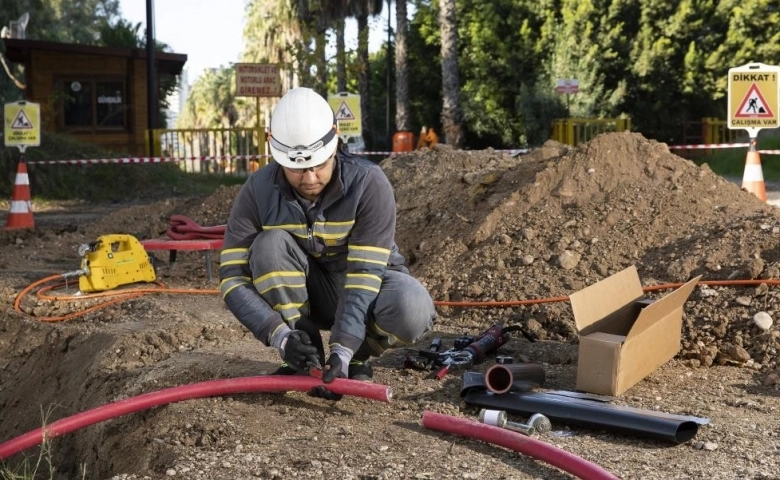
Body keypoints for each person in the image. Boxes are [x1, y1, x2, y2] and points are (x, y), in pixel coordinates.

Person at [218, 87, 436, 387]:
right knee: (268, 246)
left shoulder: (368, 184)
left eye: (319, 164)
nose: (309, 179)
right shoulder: (257, 190)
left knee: (412, 307)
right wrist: (279, 336)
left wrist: (344, 349)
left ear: (335, 141)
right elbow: (231, 277)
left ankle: (360, 354)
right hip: (312, 293)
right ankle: (303, 354)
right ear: (276, 152)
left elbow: (363, 274)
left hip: (368, 290)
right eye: (296, 168)